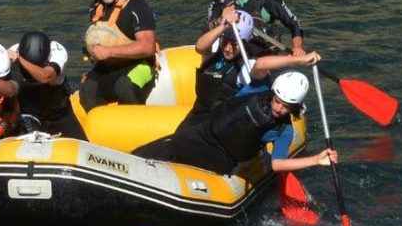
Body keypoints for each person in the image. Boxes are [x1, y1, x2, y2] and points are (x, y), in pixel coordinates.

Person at [133, 71, 339, 176]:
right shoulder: (257, 90)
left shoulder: (283, 130)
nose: (278, 108)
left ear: (294, 107)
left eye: (285, 106)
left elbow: (277, 164)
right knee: (144, 154)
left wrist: (316, 160)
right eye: (277, 101)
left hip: (220, 158)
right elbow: (260, 66)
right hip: (201, 134)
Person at [179, 8, 321, 130]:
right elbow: (199, 47)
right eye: (225, 41)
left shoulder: (247, 65)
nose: (227, 48)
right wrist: (223, 25)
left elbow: (262, 65)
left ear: (243, 42)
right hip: (197, 115)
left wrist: (300, 60)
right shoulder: (214, 50)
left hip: (221, 124)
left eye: (234, 44)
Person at [80, 0, 159, 111]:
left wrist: (110, 51)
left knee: (124, 87)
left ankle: (137, 119)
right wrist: (93, 71)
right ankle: (102, 121)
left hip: (139, 66)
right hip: (108, 68)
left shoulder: (137, 6)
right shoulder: (96, 6)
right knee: (88, 89)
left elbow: (148, 47)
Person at [6, 32, 87, 140]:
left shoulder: (57, 52)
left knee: (80, 141)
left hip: (57, 113)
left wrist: (20, 60)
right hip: (28, 114)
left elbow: (46, 77)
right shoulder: (12, 52)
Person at [207, 0, 305, 58]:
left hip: (263, 55)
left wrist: (297, 47)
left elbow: (294, 23)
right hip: (230, 53)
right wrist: (221, 19)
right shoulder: (219, 2)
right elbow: (209, 29)